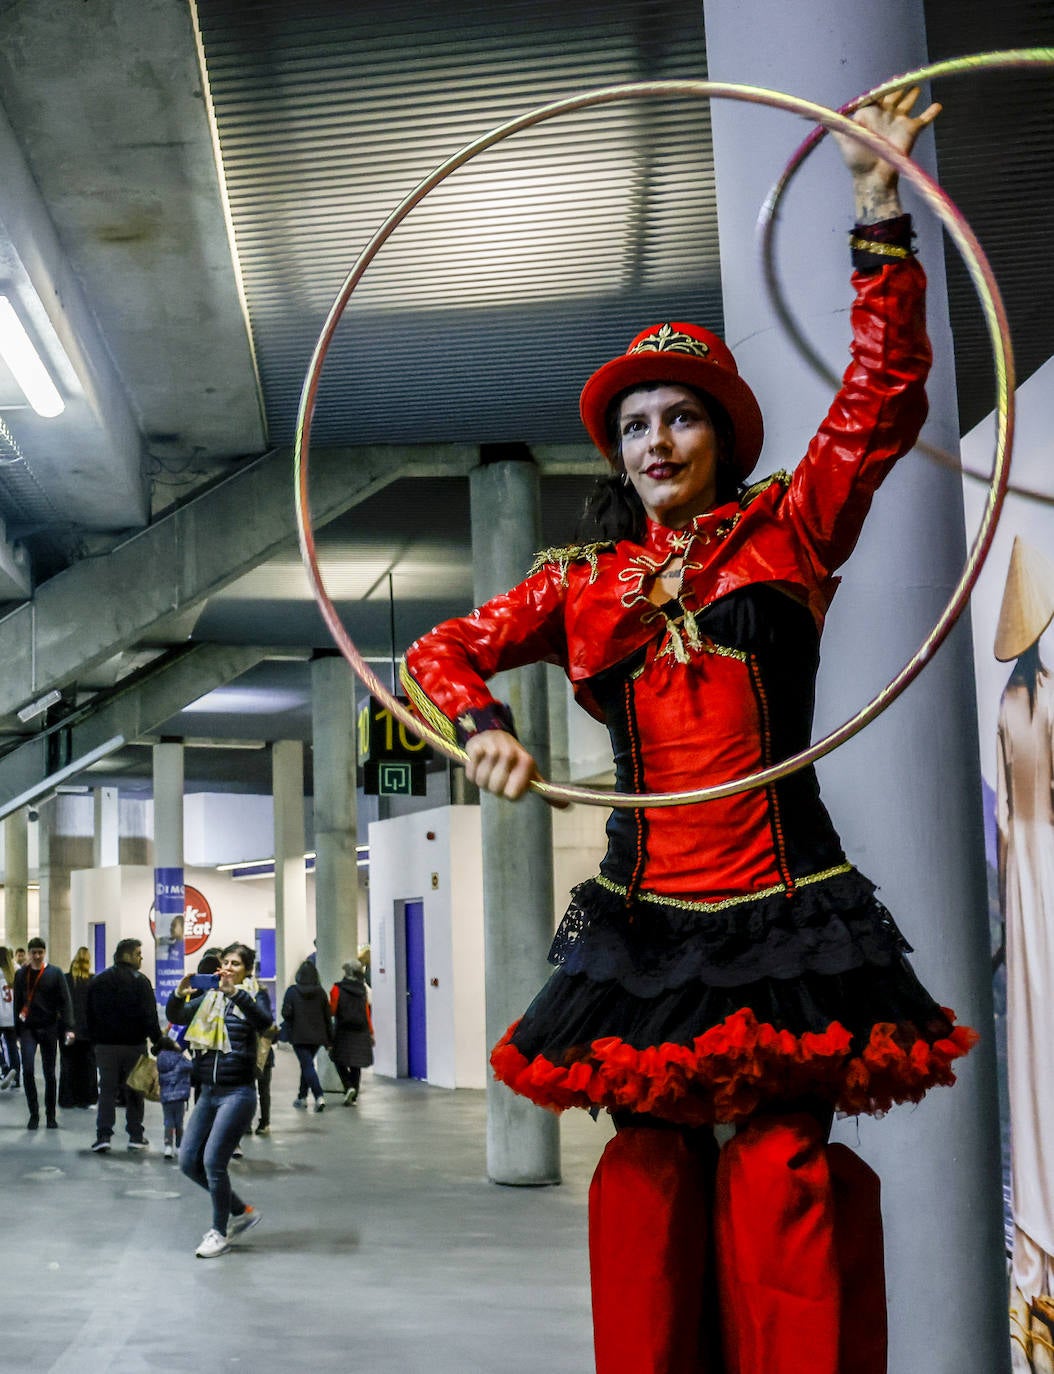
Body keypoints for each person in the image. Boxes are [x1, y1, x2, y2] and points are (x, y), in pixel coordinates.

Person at [402, 89, 979, 1374]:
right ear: (617, 451)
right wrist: (483, 727)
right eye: (636, 424)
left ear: (719, 433)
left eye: (683, 414)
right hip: (643, 927)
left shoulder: (794, 526)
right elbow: (435, 649)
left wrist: (874, 203)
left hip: (791, 914)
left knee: (785, 1181)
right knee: (647, 1185)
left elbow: (883, 393)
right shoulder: (579, 580)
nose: (659, 439)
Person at [993, 538, 1054, 1358]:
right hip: (1043, 873)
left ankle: (1037, 1271)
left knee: (1037, 1054)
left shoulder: (1011, 704)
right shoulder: (1034, 702)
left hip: (1028, 884)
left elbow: (1009, 820)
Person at [167, 941, 272, 1259]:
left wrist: (234, 993)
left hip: (237, 1092)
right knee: (188, 1162)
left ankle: (219, 1231)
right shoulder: (207, 997)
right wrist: (179, 992)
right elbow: (177, 1016)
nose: (228, 968)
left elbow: (265, 1023)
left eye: (236, 964)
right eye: (225, 962)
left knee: (213, 1162)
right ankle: (242, 1211)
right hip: (209, 1091)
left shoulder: (253, 995)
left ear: (247, 971)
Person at [86, 937, 162, 1152]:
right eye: (138, 953)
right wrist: (158, 1042)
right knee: (135, 1090)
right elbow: (150, 1018)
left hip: (105, 1047)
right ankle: (136, 1136)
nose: (141, 957)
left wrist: (95, 1042)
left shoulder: (98, 981)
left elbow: (89, 1015)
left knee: (107, 1091)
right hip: (134, 1046)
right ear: (127, 955)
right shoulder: (141, 982)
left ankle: (103, 1136)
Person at [12, 936, 74, 1129]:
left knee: (49, 1073)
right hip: (28, 1029)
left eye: (40, 952)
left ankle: (50, 1115)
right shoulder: (21, 975)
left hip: (49, 1028)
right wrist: (16, 1032)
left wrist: (69, 1028)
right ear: (29, 954)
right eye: (34, 953)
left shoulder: (55, 974)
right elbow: (17, 1005)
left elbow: (66, 1002)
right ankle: (34, 1113)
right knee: (28, 1070)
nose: (37, 956)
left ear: (44, 953)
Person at [281, 960, 332, 1112]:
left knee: (307, 1065)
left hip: (298, 1035)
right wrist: (330, 1039)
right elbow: (327, 1017)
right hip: (317, 1036)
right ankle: (302, 1097)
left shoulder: (292, 991)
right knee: (307, 1065)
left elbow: (286, 1013)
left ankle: (319, 1095)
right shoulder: (321, 992)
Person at [329, 959, 374, 1105]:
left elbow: (333, 1010)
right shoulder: (363, 989)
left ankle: (348, 1086)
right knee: (356, 1064)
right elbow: (367, 1012)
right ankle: (353, 1096)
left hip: (343, 1030)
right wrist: (371, 1032)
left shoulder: (337, 989)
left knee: (337, 1058)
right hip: (361, 1030)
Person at [59, 945, 97, 1109]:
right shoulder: (93, 981)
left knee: (67, 1064)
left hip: (68, 1029)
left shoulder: (65, 980)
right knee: (87, 1066)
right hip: (88, 1032)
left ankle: (67, 1098)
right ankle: (85, 1098)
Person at [155, 1034, 193, 1160]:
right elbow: (191, 1066)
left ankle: (168, 1146)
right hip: (179, 1097)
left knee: (168, 1122)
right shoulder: (179, 1058)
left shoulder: (160, 1059)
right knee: (179, 1123)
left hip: (166, 1097)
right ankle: (179, 1145)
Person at [254, 1020, 279, 1135]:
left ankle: (246, 1124)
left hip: (247, 1055)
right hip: (265, 1055)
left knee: (247, 1089)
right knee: (264, 1091)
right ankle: (265, 1123)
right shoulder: (264, 1014)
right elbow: (274, 1038)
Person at [0, 946, 20, 1090]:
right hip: (12, 1017)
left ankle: (4, 1068)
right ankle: (16, 1077)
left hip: (0, 1015)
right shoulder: (15, 974)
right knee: (13, 1047)